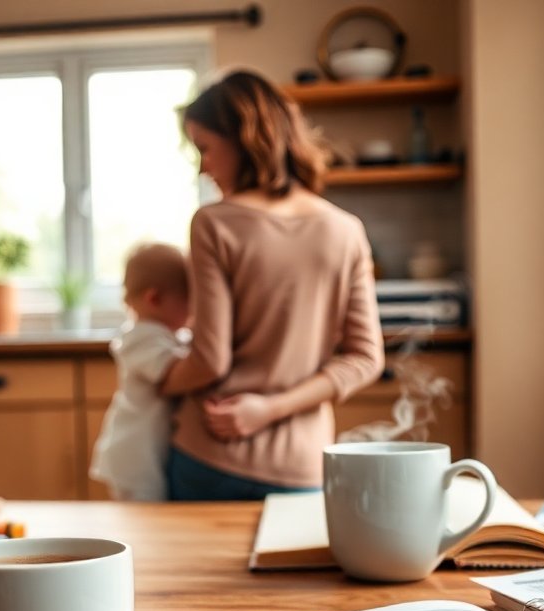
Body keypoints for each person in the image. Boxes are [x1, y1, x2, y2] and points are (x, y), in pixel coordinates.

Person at [160, 70, 385, 501]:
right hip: (303, 468)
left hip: (211, 456)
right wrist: (270, 409)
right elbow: (365, 358)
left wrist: (157, 378)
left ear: (244, 138)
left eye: (205, 149)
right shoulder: (346, 229)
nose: (203, 167)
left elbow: (210, 360)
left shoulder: (214, 222)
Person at [89, 243, 191, 501]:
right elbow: (178, 369)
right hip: (134, 458)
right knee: (144, 519)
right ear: (154, 298)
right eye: (189, 299)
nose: (195, 308)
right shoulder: (140, 339)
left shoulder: (164, 334)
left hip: (147, 452)